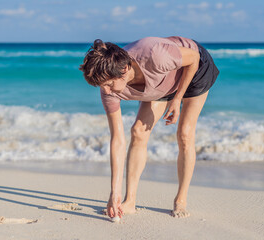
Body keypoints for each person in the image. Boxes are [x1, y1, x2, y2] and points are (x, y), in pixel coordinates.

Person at [79, 36, 219, 219]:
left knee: (184, 133)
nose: (105, 91)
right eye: (101, 86)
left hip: (193, 69)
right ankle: (129, 201)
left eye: (109, 84)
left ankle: (180, 200)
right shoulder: (108, 89)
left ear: (124, 69)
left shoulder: (155, 55)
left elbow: (192, 58)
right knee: (137, 132)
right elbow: (117, 140)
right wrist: (114, 193)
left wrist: (177, 99)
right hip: (162, 83)